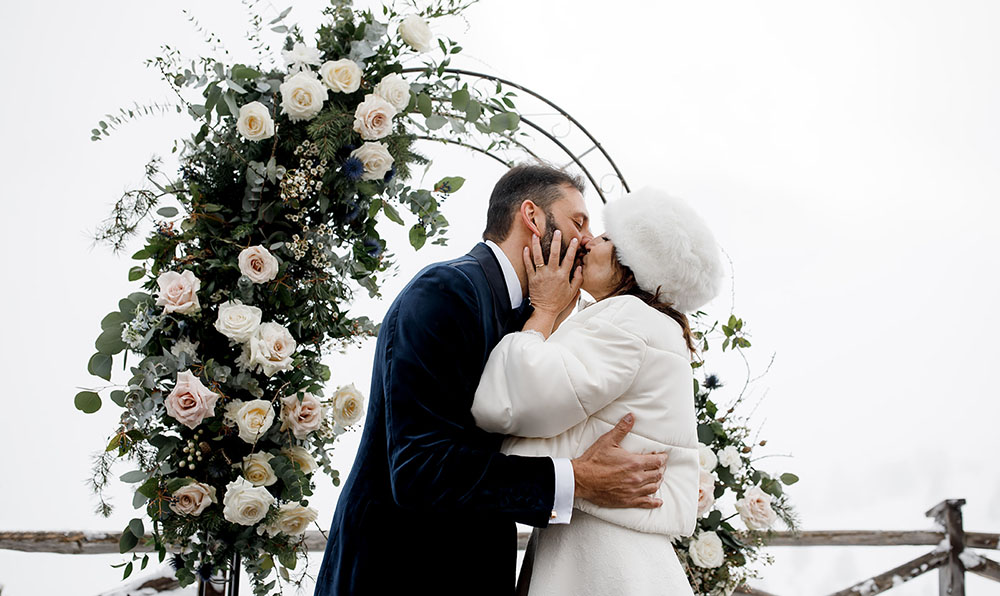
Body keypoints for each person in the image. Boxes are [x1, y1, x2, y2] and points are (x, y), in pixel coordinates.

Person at [314, 165, 670, 596]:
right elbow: (420, 470)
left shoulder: (535, 318)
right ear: (533, 217)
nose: (588, 240)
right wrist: (578, 479)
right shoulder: (445, 292)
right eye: (579, 222)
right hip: (399, 572)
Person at [472, 187, 724, 596]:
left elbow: (511, 400)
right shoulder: (650, 324)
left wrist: (545, 310)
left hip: (599, 551)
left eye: (606, 238)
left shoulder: (626, 319)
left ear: (633, 266)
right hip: (615, 539)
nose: (588, 241)